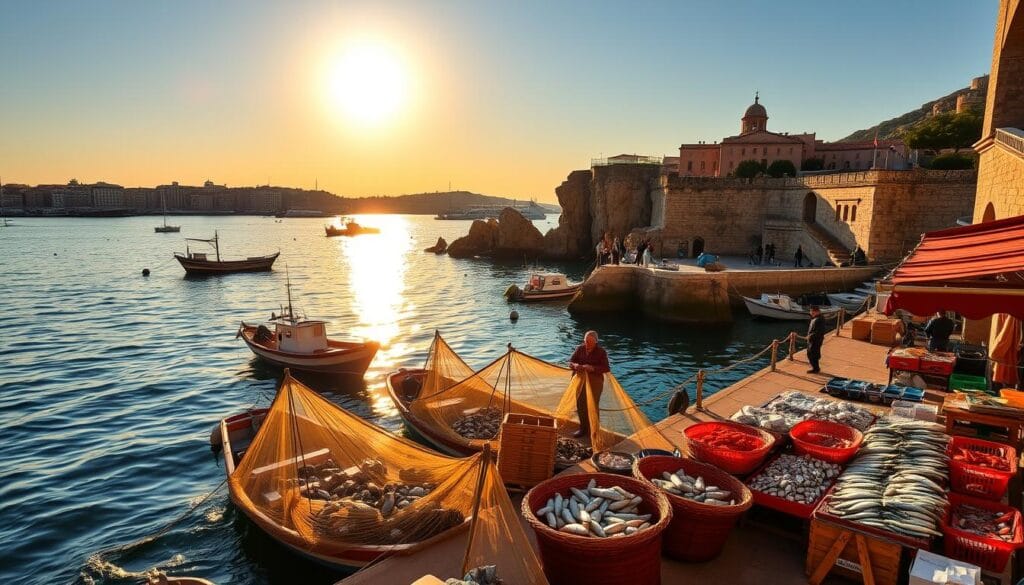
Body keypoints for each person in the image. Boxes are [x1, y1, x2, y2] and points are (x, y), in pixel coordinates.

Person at [568, 331, 610, 438]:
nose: (587, 343)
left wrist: (592, 368)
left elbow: (606, 368)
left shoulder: (601, 352)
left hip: (595, 383)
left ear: (596, 341)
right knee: (580, 404)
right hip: (579, 381)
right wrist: (575, 365)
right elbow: (571, 362)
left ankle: (594, 431)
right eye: (586, 341)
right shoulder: (579, 348)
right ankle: (583, 429)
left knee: (592, 406)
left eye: (590, 341)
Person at [806, 306, 825, 373]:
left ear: (817, 311)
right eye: (811, 311)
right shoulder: (816, 318)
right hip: (813, 339)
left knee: (813, 354)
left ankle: (816, 368)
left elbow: (819, 331)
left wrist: (810, 336)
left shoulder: (819, 319)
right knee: (811, 353)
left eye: (812, 311)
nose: (811, 313)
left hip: (815, 340)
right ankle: (815, 367)